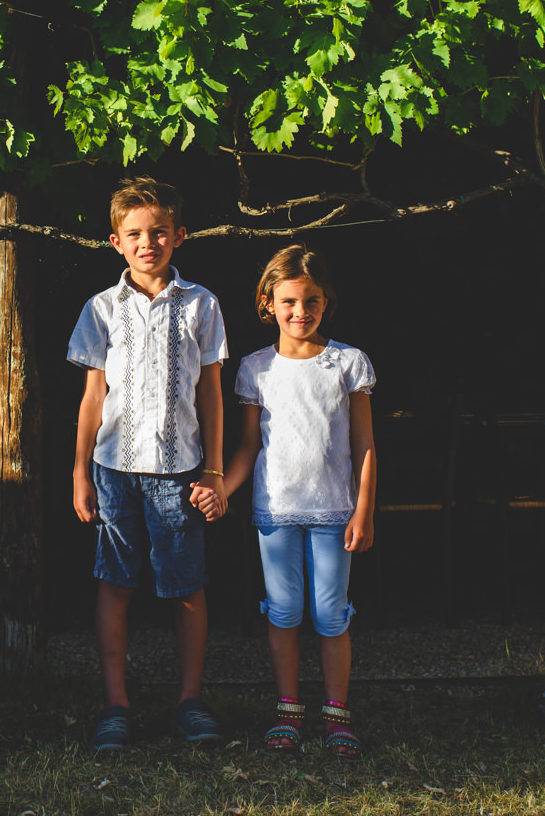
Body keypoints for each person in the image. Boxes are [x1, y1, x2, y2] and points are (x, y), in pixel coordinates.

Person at [68, 177, 228, 752]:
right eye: (134, 233)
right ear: (115, 242)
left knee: (186, 586)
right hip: (113, 470)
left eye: (159, 232)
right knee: (115, 582)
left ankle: (190, 700)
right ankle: (117, 705)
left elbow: (211, 393)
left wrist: (212, 468)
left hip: (180, 471)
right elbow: (92, 397)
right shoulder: (102, 308)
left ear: (178, 236)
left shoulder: (202, 305)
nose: (147, 242)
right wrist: (81, 471)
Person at [204, 244, 378, 757]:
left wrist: (364, 509)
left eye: (312, 301)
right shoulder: (256, 369)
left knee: (330, 613)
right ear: (268, 304)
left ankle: (337, 713)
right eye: (289, 302)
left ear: (326, 302)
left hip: (335, 513)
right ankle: (288, 709)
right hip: (275, 512)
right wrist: (220, 487)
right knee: (283, 611)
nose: (301, 311)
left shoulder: (348, 364)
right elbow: (248, 446)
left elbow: (365, 445)